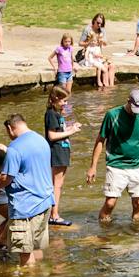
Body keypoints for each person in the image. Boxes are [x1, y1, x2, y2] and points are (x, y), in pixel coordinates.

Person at [0, 113, 54, 266]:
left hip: (25, 208)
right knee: (36, 249)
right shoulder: (41, 140)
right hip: (45, 203)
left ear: (10, 128)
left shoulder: (15, 148)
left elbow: (6, 177)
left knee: (24, 255)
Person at [87, 86, 139, 224]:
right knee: (110, 203)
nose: (138, 113)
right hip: (116, 164)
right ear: (128, 101)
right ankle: (105, 234)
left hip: (138, 166)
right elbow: (100, 140)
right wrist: (93, 167)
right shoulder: (112, 115)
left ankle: (137, 238)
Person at [44, 84, 81, 227]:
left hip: (63, 149)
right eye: (64, 101)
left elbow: (60, 131)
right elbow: (52, 135)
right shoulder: (51, 114)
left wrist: (72, 127)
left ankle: (53, 213)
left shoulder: (57, 113)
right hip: (57, 150)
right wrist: (71, 132)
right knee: (56, 185)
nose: (66, 103)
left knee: (58, 184)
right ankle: (54, 215)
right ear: (55, 99)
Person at [80, 13, 116, 88]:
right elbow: (80, 43)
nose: (99, 25)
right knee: (105, 66)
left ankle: (111, 86)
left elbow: (105, 44)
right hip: (90, 55)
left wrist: (102, 41)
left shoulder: (102, 30)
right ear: (94, 21)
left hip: (98, 55)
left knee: (112, 66)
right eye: (98, 23)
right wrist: (89, 42)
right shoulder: (87, 29)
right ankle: (106, 86)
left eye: (101, 24)